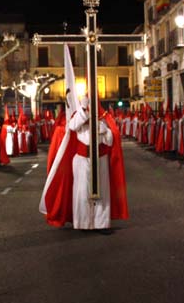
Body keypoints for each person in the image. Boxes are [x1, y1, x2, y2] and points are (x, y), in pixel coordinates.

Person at [39, 95, 128, 231]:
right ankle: (82, 223)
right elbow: (73, 126)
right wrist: (83, 109)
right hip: (82, 159)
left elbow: (110, 140)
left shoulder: (104, 117)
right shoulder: (78, 115)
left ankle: (101, 224)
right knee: (82, 192)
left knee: (102, 193)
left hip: (100, 158)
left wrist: (105, 131)